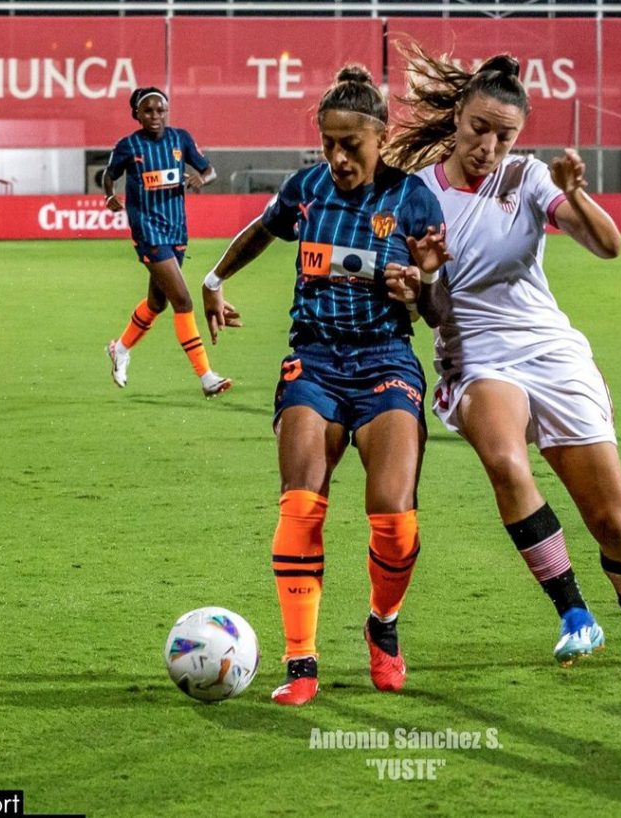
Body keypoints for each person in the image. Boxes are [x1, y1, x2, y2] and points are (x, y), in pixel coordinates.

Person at [383, 48, 621, 670]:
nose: (489, 145)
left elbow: (608, 245)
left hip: (550, 351)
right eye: (479, 128)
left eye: (505, 134)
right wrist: (425, 278)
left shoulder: (531, 178)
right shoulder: (417, 195)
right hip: (477, 356)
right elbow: (432, 313)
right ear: (457, 117)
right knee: (508, 464)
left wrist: (578, 196)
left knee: (614, 523)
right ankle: (575, 614)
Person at [200, 65, 448, 705]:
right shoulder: (307, 188)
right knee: (300, 502)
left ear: (380, 137)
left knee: (394, 518)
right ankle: (300, 661)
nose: (337, 157)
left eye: (351, 145)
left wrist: (420, 286)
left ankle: (382, 626)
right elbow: (263, 229)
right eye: (328, 144)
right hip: (313, 359)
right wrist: (213, 279)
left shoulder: (411, 199)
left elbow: (439, 309)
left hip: (386, 359)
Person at [103, 86, 233, 399]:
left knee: (157, 303)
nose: (155, 116)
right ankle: (206, 376)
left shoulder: (180, 139)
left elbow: (209, 169)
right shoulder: (129, 145)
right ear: (136, 114)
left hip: (177, 230)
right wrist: (109, 195)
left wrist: (203, 178)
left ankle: (120, 349)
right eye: (148, 111)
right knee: (183, 301)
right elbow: (109, 174)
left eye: (160, 110)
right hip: (148, 231)